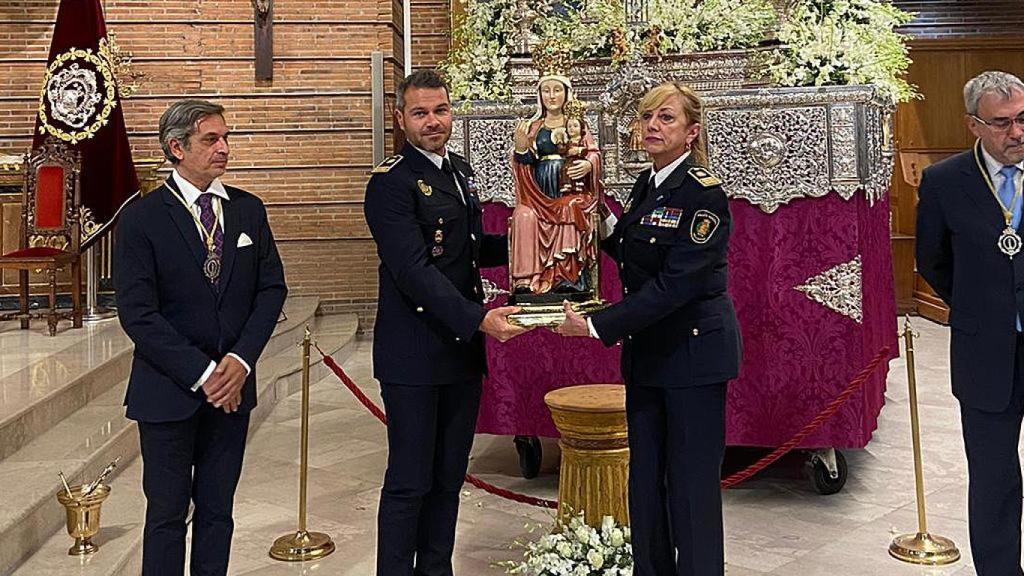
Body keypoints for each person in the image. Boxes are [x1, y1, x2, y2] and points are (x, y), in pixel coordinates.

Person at [554, 81, 742, 576]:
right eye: (647, 118)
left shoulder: (703, 196)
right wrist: (594, 223)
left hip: (694, 357)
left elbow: (676, 286)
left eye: (667, 118)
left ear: (691, 132)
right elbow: (636, 254)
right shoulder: (647, 184)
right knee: (646, 486)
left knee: (691, 489)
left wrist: (597, 325)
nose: (653, 126)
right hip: (649, 357)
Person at [363, 69, 530, 576]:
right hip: (413, 354)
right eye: (420, 113)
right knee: (410, 479)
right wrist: (479, 319)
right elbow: (413, 270)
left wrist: (536, 246)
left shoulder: (457, 169)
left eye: (440, 110)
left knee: (448, 476)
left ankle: (436, 569)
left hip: (458, 351)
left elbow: (471, 248)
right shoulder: (389, 184)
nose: (432, 121)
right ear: (401, 119)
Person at [113, 99, 287, 575]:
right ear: (175, 147)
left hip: (232, 393)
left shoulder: (249, 211)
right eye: (211, 139)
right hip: (169, 392)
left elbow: (272, 289)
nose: (224, 148)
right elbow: (137, 313)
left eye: (226, 138)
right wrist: (205, 372)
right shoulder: (142, 219)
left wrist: (241, 360)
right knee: (167, 517)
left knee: (218, 513)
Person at [916, 70, 1024, 576]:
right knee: (993, 479)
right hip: (985, 355)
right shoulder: (945, 182)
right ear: (973, 125)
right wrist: (984, 310)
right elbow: (932, 261)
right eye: (1002, 123)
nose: (1017, 132)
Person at [509, 75, 601, 295]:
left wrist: (588, 164)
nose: (551, 96)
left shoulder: (577, 124)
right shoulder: (534, 126)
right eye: (546, 90)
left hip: (570, 188)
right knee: (523, 215)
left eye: (557, 90)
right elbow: (525, 162)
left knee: (569, 209)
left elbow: (594, 153)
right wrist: (521, 149)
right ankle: (526, 281)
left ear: (566, 93)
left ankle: (567, 276)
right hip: (538, 193)